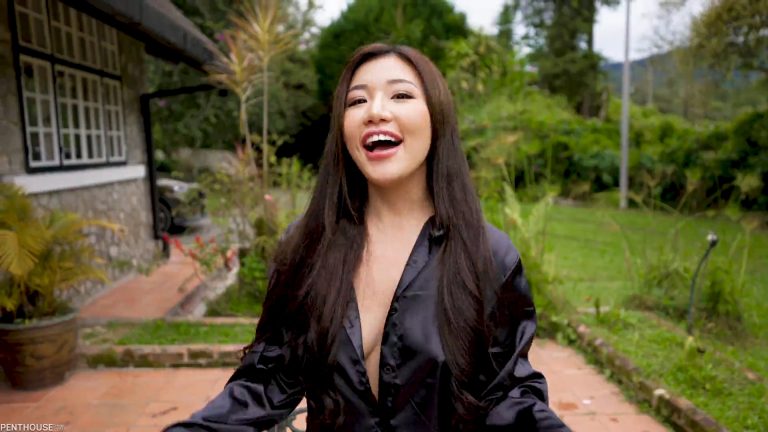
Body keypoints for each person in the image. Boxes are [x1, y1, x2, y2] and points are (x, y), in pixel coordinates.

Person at [164, 43, 569, 432]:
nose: (375, 111)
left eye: (400, 95)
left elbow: (507, 395)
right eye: (357, 101)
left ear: (437, 117)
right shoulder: (308, 247)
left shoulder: (487, 256)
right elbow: (267, 380)